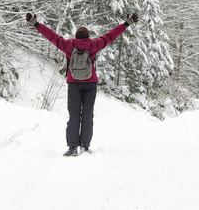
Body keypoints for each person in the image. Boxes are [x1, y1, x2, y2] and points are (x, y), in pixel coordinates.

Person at [26, 13, 139, 156]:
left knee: (74, 115)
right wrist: (126, 23)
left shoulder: (68, 45)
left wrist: (36, 23)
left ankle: (72, 147)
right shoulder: (94, 44)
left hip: (73, 83)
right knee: (87, 115)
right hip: (90, 83)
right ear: (88, 36)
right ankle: (85, 146)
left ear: (76, 36)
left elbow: (52, 36)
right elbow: (111, 36)